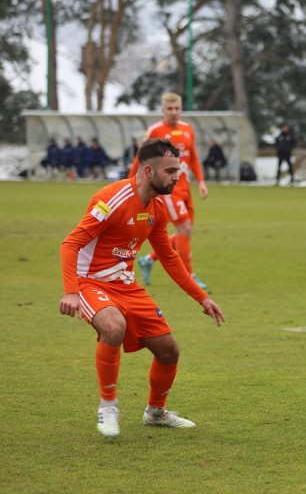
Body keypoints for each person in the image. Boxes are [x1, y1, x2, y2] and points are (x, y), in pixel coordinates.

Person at [59, 138, 225, 438]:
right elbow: (71, 244)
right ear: (148, 171)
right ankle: (108, 405)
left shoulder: (157, 208)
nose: (177, 177)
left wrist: (202, 298)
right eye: (171, 170)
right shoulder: (111, 200)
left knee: (168, 351)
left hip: (126, 285)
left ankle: (156, 412)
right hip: (90, 282)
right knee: (113, 327)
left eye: (179, 170)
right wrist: (71, 290)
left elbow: (169, 259)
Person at [131, 92, 209, 289]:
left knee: (185, 234)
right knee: (185, 228)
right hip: (168, 189)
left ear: (181, 109)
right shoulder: (155, 131)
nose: (174, 112)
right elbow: (140, 158)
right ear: (163, 110)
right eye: (170, 109)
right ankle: (190, 276)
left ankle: (148, 260)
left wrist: (201, 181)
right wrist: (130, 182)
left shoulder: (188, 129)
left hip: (186, 188)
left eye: (177, 108)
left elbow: (193, 158)